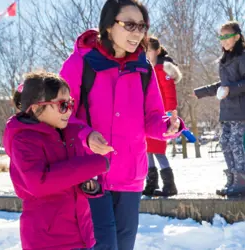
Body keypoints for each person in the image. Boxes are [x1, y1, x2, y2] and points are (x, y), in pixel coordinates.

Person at [59, 0, 184, 249]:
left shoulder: (143, 67)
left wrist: (169, 126)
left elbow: (152, 116)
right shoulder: (80, 63)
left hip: (130, 174)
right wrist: (85, 136)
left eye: (142, 26)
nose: (137, 32)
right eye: (129, 24)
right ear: (108, 26)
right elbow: (60, 115)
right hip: (90, 172)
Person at [3, 72, 109, 250]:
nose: (69, 110)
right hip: (48, 241)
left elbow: (74, 176)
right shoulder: (24, 140)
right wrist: (92, 165)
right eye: (62, 105)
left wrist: (91, 186)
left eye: (71, 103)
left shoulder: (69, 133)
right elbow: (39, 183)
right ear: (37, 109)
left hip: (81, 234)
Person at [192, 21, 245, 197]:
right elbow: (223, 85)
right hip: (227, 108)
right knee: (225, 142)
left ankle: (242, 183)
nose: (223, 40)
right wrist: (201, 92)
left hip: (240, 108)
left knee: (235, 141)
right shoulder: (226, 59)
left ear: (236, 37)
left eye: (226, 36)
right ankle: (232, 181)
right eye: (221, 37)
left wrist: (231, 89)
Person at [143, 36, 183, 197]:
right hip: (148, 116)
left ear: (157, 51)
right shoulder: (147, 69)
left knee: (158, 151)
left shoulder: (162, 68)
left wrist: (170, 113)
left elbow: (169, 93)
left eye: (149, 51)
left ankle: (169, 185)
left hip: (160, 117)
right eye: (144, 51)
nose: (146, 55)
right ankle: (151, 183)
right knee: (147, 150)